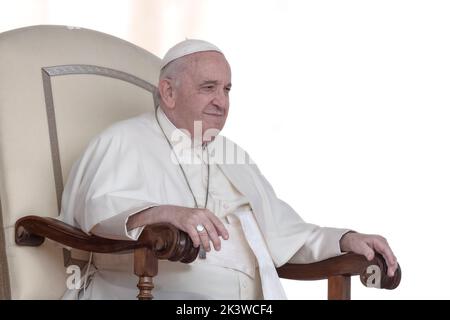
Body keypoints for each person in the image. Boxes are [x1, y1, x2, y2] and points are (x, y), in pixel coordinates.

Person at [60, 39, 398, 300]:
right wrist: (167, 213)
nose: (221, 101)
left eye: (226, 89)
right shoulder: (122, 140)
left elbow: (287, 234)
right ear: (168, 92)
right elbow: (99, 215)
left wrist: (345, 239)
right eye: (208, 88)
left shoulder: (232, 154)